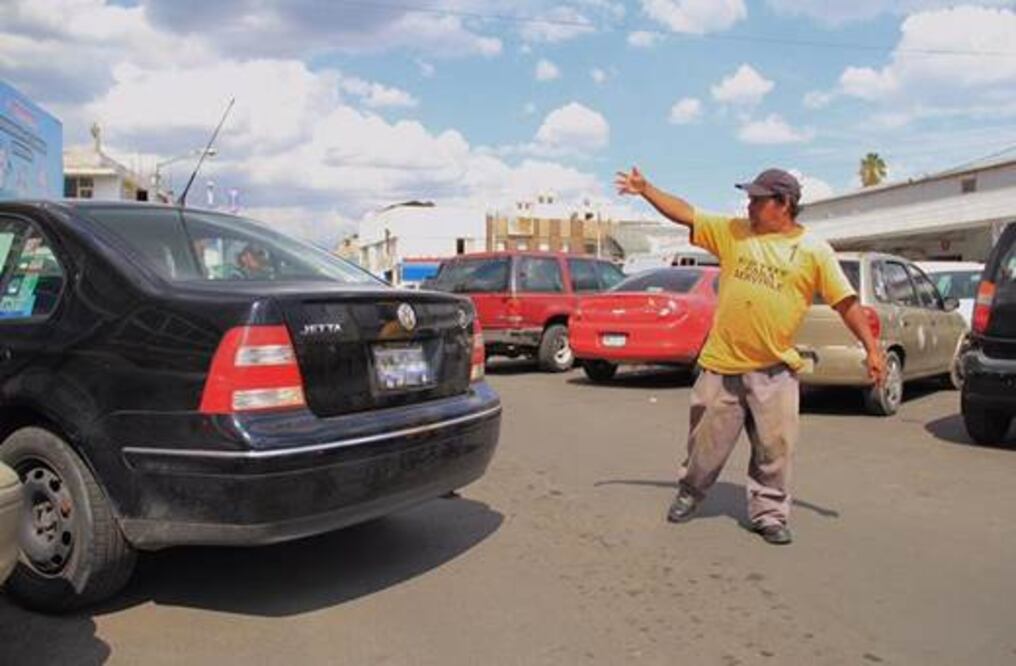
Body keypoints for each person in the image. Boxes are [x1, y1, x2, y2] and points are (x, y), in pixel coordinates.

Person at [615, 166, 886, 545]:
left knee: (774, 450)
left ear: (784, 204)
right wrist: (646, 190)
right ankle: (690, 492)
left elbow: (845, 302)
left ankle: (769, 514)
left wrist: (872, 348)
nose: (749, 205)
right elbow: (686, 213)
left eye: (758, 199)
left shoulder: (813, 251)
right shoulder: (734, 233)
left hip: (774, 370)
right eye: (750, 198)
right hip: (721, 365)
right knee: (704, 445)